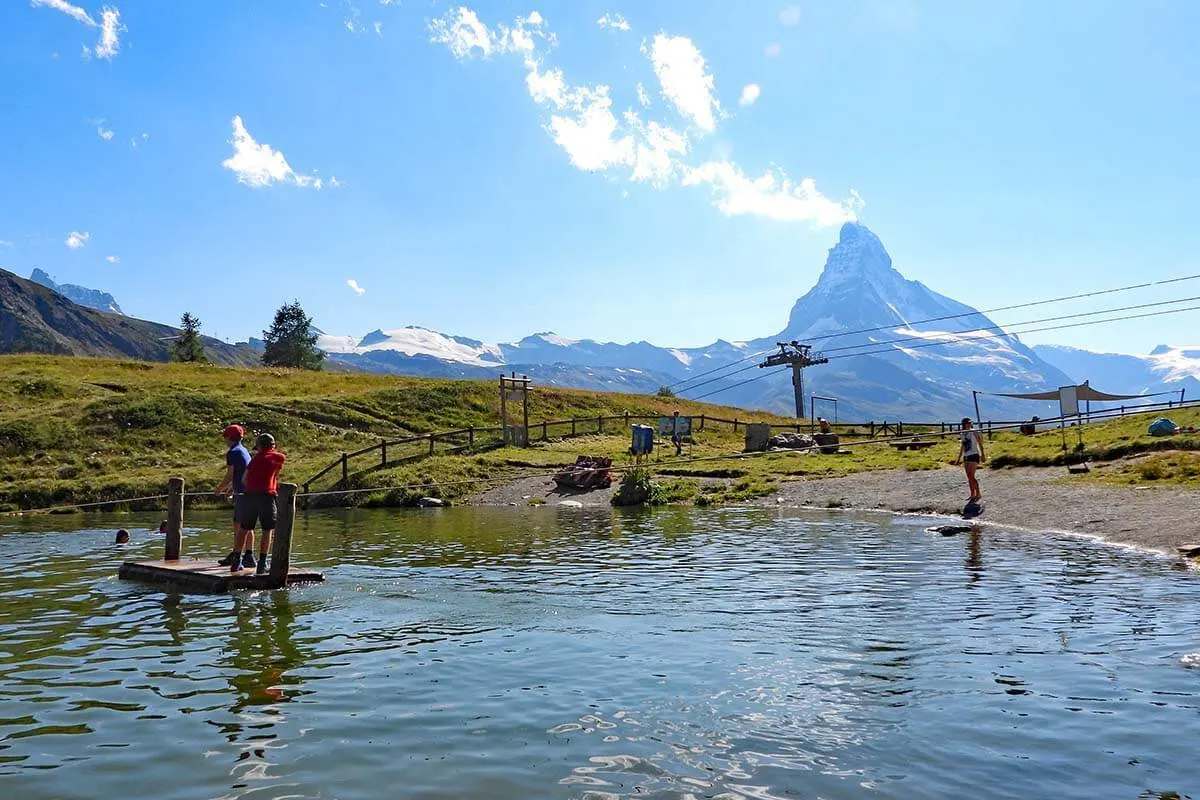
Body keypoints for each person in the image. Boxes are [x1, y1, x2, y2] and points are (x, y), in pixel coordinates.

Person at [232, 433, 286, 575]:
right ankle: (262, 564)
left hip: (250, 496)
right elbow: (275, 473)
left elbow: (244, 479)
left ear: (260, 447)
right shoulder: (279, 457)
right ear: (273, 445)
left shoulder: (254, 460)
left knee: (244, 528)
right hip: (267, 496)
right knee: (267, 530)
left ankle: (236, 562)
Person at [215, 425, 255, 569]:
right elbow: (241, 473)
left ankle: (237, 554)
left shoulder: (232, 452)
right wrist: (232, 488)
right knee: (247, 525)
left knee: (238, 525)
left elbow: (230, 474)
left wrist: (220, 488)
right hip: (248, 491)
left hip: (242, 493)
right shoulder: (244, 450)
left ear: (228, 437)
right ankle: (249, 554)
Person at [953, 417, 986, 502]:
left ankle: (978, 493)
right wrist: (958, 458)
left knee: (971, 475)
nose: (969, 424)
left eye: (969, 423)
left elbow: (980, 443)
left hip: (974, 455)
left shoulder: (974, 432)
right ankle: (972, 494)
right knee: (969, 476)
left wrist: (983, 455)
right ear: (964, 424)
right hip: (966, 456)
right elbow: (963, 446)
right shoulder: (963, 433)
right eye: (967, 423)